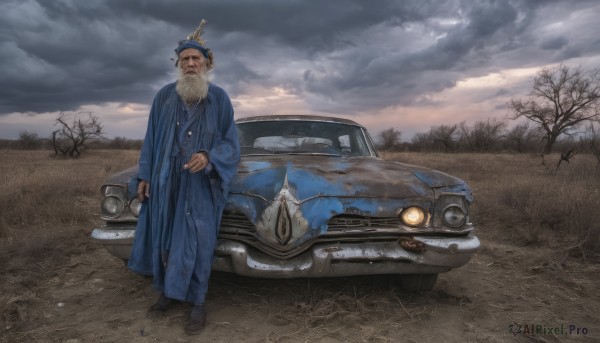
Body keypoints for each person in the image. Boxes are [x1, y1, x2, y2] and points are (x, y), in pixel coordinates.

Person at [127, 20, 240, 335]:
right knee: (164, 235)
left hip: (201, 184)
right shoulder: (163, 97)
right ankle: (167, 293)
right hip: (166, 181)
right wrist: (145, 175)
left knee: (198, 241)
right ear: (178, 64)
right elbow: (150, 139)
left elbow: (231, 143)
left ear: (207, 63)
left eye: (196, 59)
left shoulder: (219, 98)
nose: (191, 64)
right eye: (185, 59)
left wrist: (209, 157)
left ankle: (198, 302)